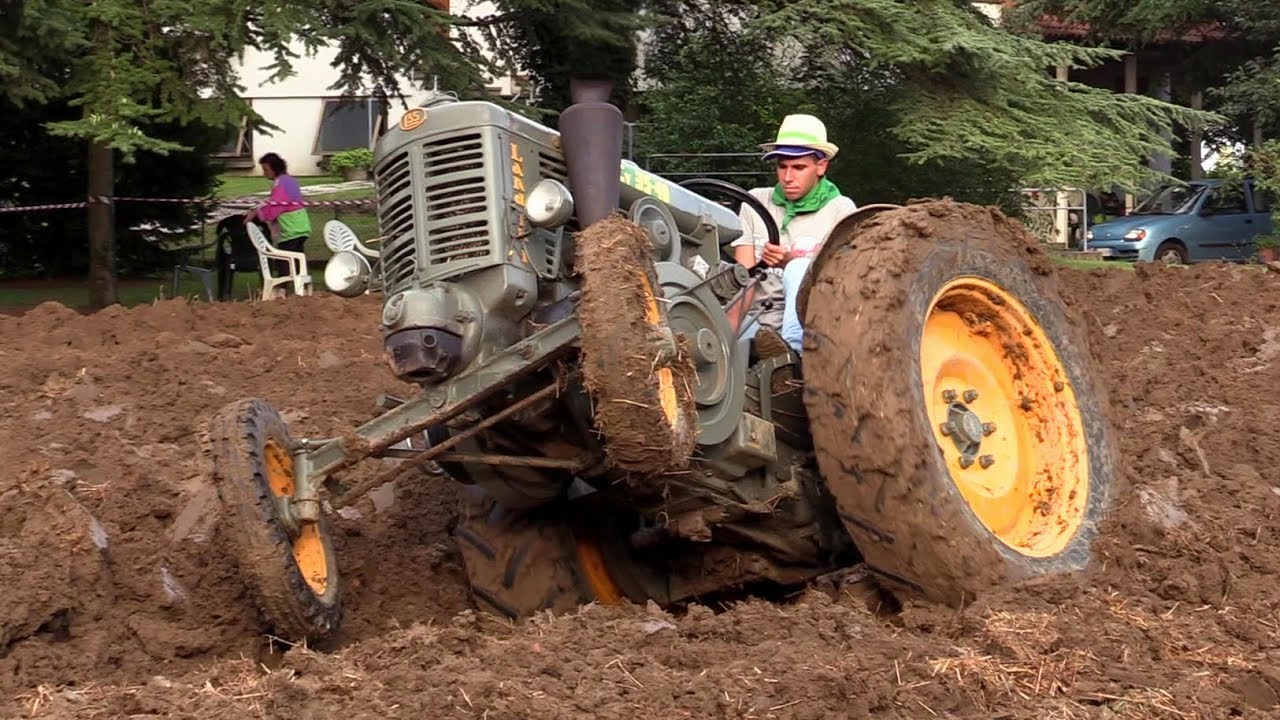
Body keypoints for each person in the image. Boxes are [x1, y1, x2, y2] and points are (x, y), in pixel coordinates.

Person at [730, 114, 857, 357]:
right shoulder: (755, 202)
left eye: (798, 167)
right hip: (758, 322)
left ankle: (793, 359)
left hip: (815, 326)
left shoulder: (841, 210)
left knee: (799, 267)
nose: (788, 177)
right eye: (782, 166)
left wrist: (789, 262)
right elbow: (742, 279)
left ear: (821, 166)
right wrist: (724, 337)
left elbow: (842, 281)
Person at [245, 152, 312, 297]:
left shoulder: (280, 184)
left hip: (291, 228)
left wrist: (257, 214)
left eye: (266, 170)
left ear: (275, 168)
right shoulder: (290, 180)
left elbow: (274, 209)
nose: (264, 173)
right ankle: (302, 289)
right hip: (302, 226)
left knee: (284, 260)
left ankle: (282, 290)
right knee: (298, 257)